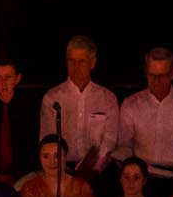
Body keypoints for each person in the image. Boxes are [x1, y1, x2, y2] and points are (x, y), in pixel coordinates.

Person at [116, 46, 173, 180]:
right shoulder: (130, 104)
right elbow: (124, 145)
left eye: (162, 75)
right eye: (152, 75)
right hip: (142, 177)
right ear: (146, 72)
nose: (157, 81)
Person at [39, 35, 120, 176]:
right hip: (62, 171)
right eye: (72, 61)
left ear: (92, 63)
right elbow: (47, 141)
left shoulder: (108, 99)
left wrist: (93, 170)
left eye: (82, 61)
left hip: (97, 171)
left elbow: (110, 141)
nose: (76, 67)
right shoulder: (51, 98)